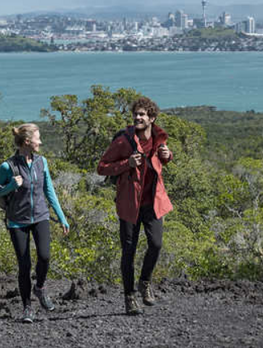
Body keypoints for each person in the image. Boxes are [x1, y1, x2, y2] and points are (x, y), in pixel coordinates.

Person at [97, 97, 173, 315]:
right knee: (128, 252)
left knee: (156, 244)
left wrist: (168, 157)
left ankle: (145, 282)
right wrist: (126, 164)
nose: (137, 118)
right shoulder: (123, 141)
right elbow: (102, 167)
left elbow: (159, 162)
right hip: (129, 204)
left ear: (152, 118)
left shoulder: (159, 139)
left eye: (142, 115)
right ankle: (129, 297)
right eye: (136, 114)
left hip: (153, 203)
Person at [0, 123, 69, 323]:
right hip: (17, 221)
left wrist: (61, 217)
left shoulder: (41, 162)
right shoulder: (7, 166)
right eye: (37, 138)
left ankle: (40, 288)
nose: (40, 142)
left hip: (41, 216)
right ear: (27, 141)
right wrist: (10, 185)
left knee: (44, 257)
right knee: (24, 265)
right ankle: (27, 308)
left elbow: (49, 191)